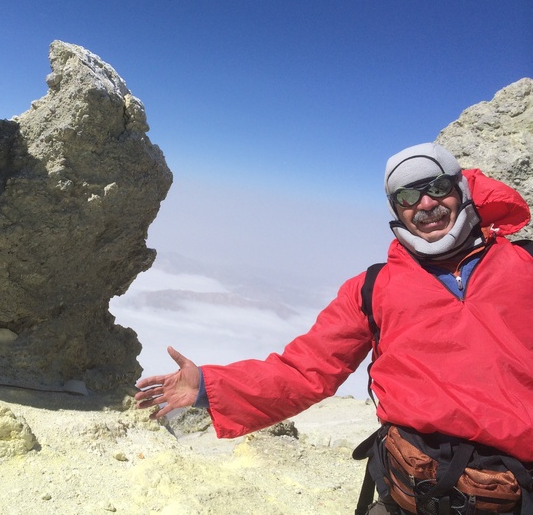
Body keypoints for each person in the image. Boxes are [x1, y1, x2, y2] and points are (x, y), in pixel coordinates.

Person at [135, 143, 533, 515]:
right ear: (396, 209)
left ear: (461, 188)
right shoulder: (373, 288)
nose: (426, 204)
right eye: (407, 197)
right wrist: (207, 386)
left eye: (438, 187)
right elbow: (305, 369)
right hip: (412, 491)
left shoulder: (524, 266)